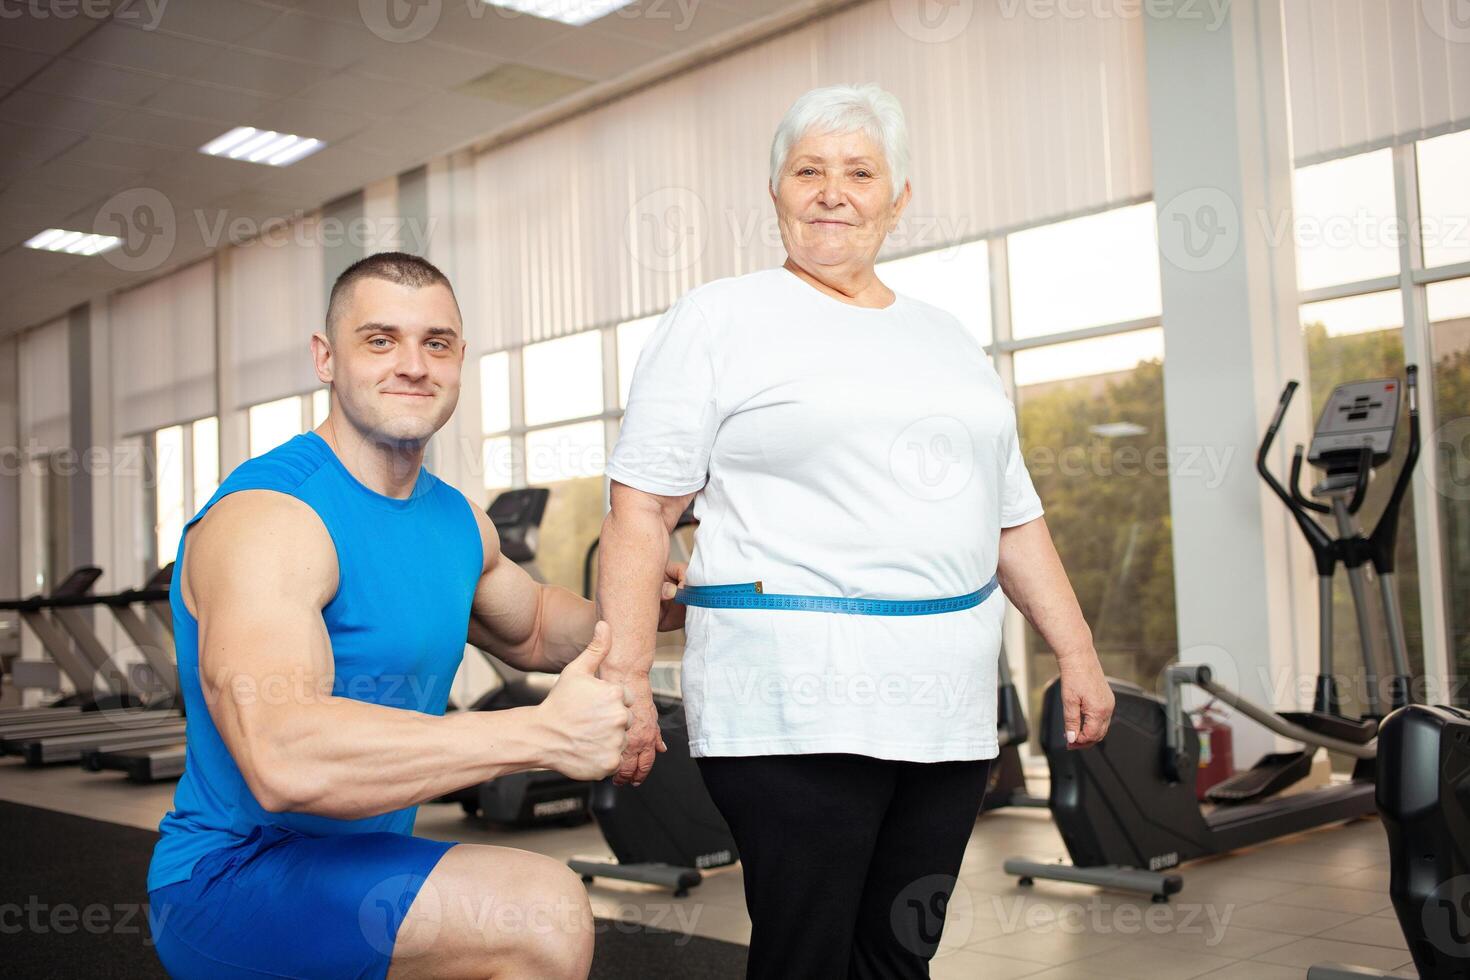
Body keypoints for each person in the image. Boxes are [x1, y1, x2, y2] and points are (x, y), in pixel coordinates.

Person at [595, 83, 1117, 978]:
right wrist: (628, 679)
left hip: (945, 707)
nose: (833, 191)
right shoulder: (719, 319)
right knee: (809, 955)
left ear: (898, 199)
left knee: (899, 955)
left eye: (859, 172)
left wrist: (1076, 652)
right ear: (776, 193)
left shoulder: (947, 338)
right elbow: (641, 509)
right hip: (794, 706)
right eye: (809, 170)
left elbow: (1012, 515)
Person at [146, 252, 688, 980]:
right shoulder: (270, 519)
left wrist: (647, 606)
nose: (413, 364)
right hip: (236, 877)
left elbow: (532, 627)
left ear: (461, 359)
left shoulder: (456, 521)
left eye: (436, 343)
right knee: (540, 912)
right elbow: (283, 756)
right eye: (380, 341)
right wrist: (541, 734)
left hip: (369, 865)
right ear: (325, 358)